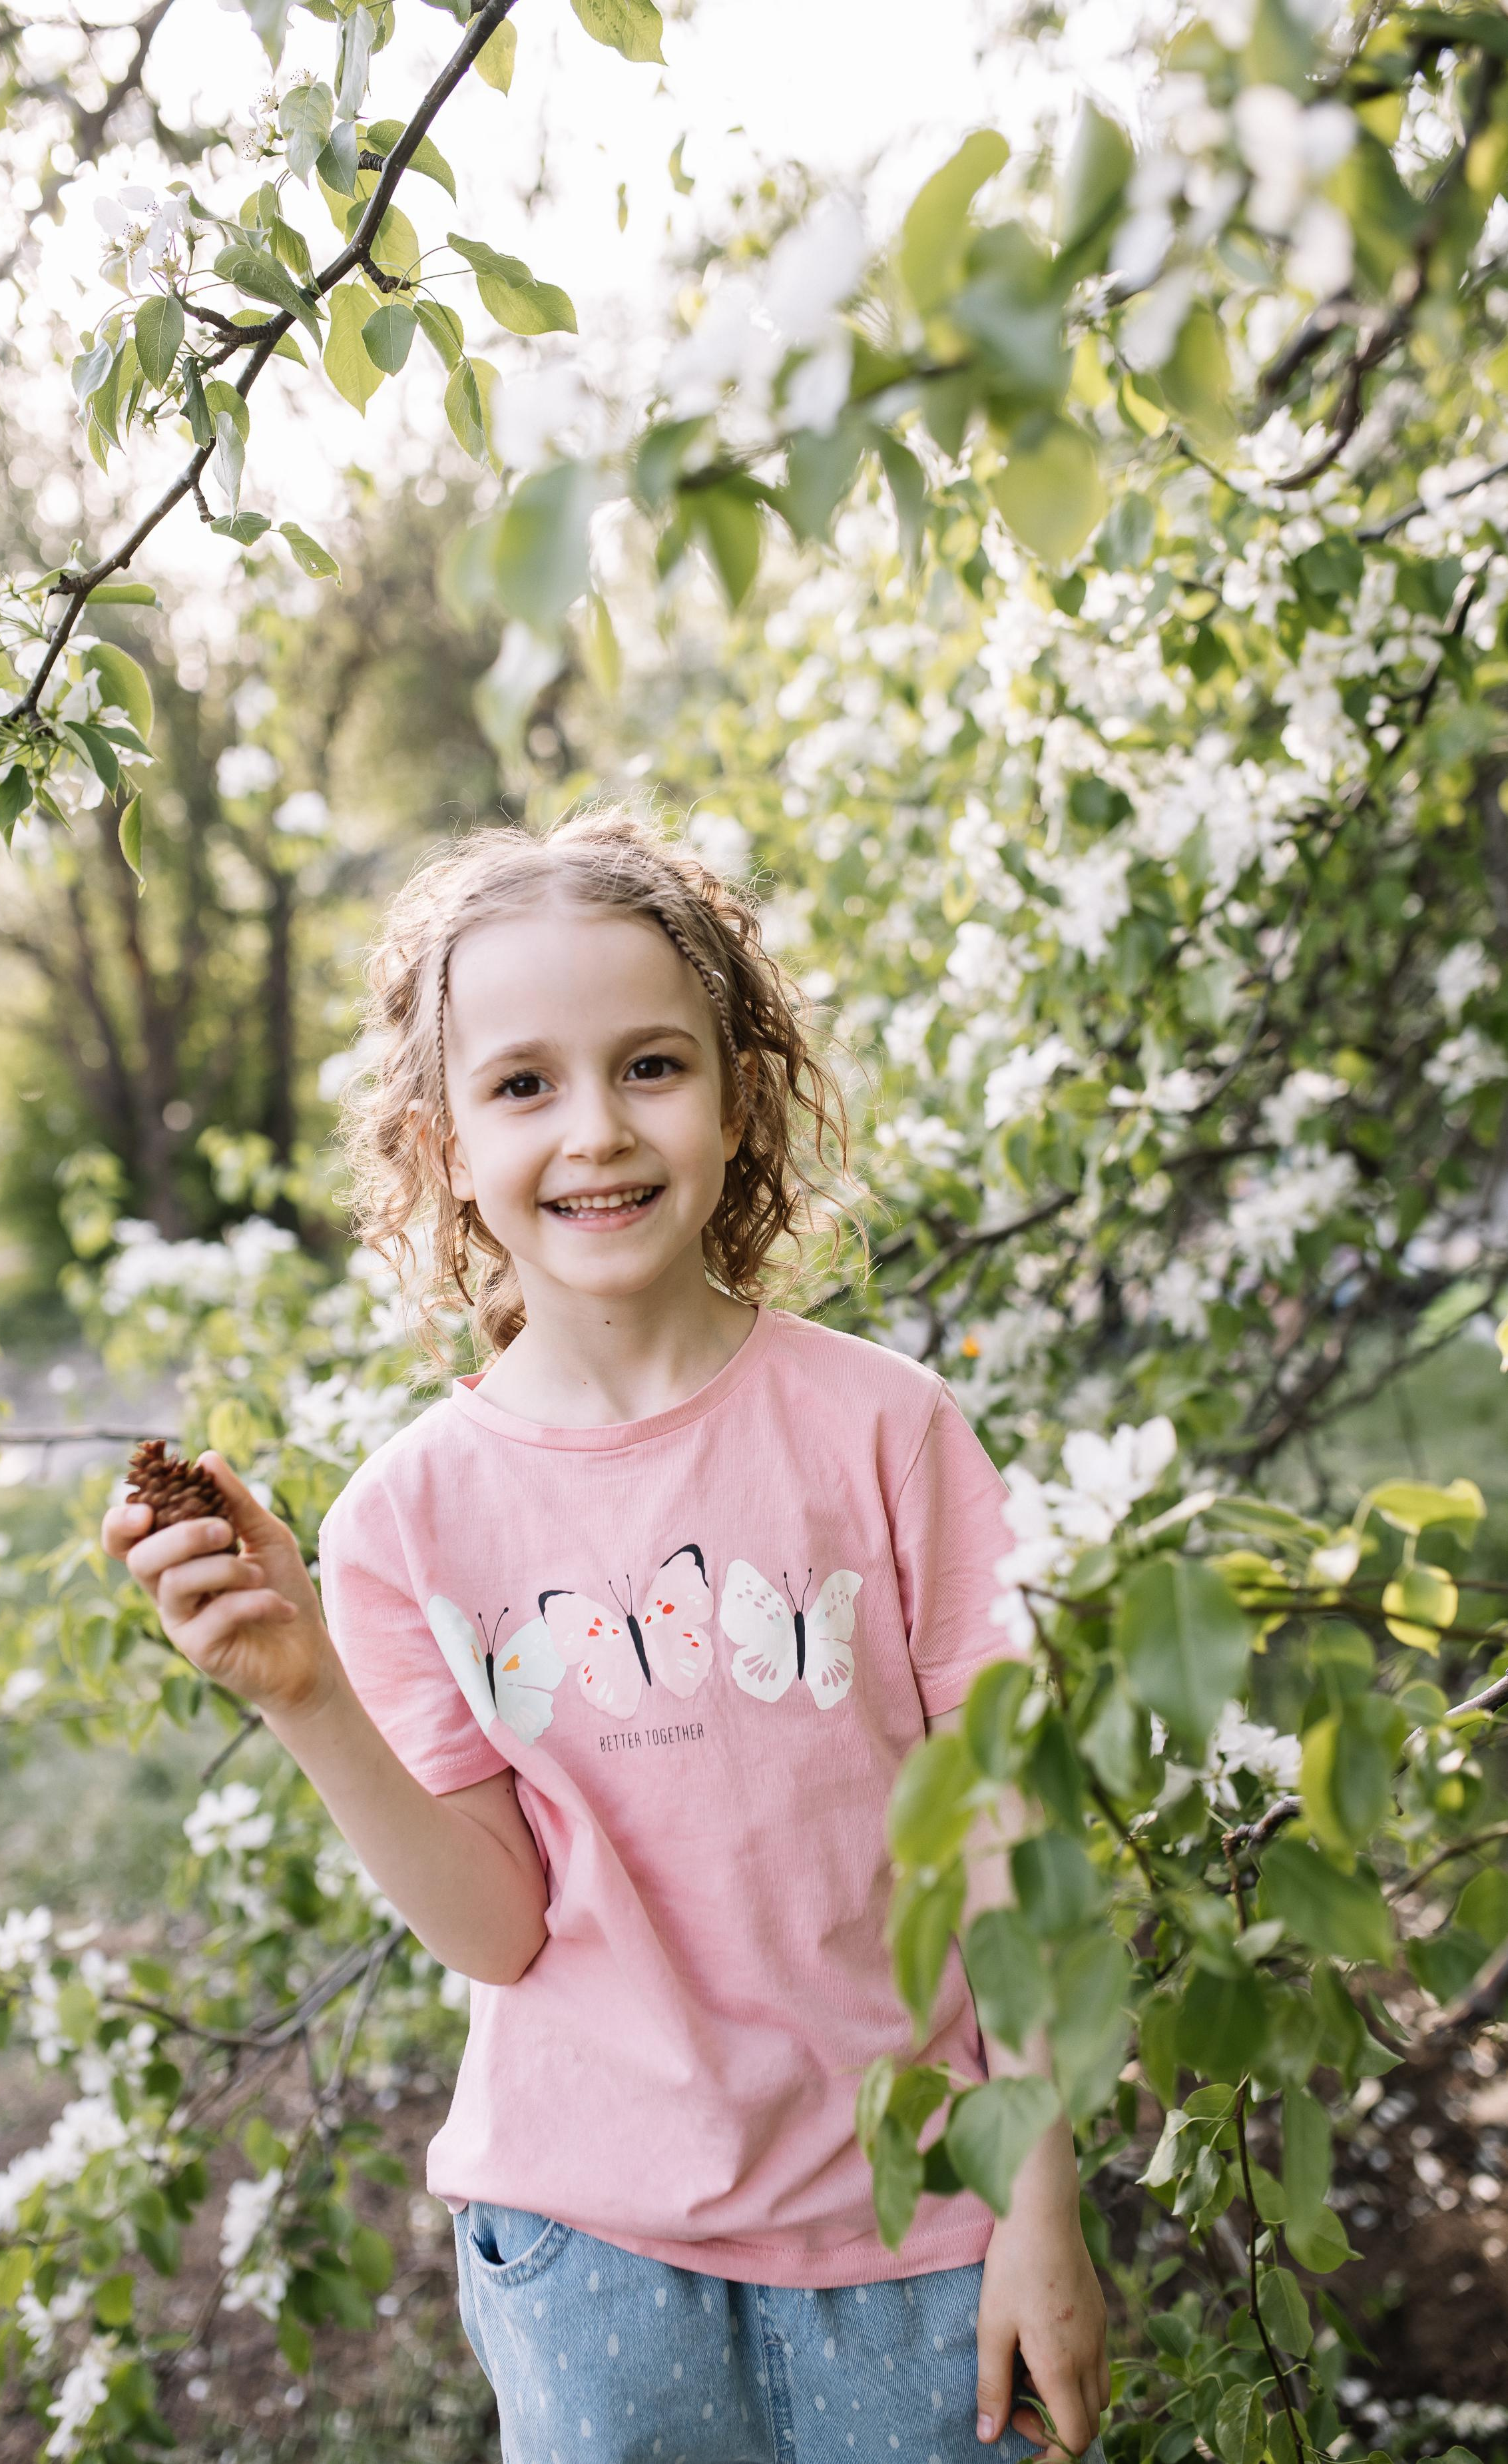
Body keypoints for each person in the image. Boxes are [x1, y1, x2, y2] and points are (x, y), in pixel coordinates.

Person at [103, 808, 1108, 2464]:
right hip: (593, 2261)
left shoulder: (887, 1431)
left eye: (649, 1064)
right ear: (438, 1145)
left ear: (737, 1092)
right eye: (522, 1085)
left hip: (920, 2227)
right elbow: (497, 1929)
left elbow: (1012, 1845)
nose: (594, 1130)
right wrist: (305, 1696)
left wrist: (1041, 2200)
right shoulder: (407, 1519)